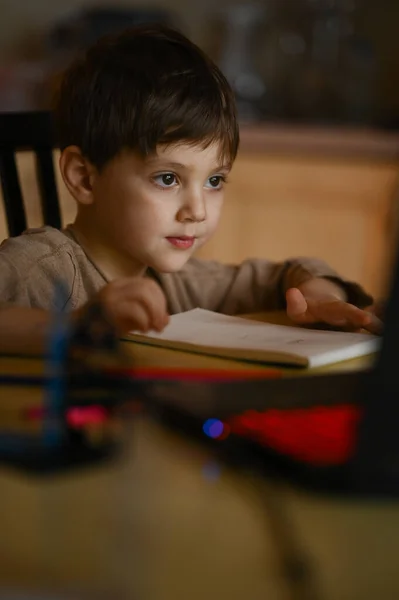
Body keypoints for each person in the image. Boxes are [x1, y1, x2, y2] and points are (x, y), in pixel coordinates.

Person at [0, 25, 381, 354]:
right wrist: (79, 327)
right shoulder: (37, 269)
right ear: (84, 177)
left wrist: (319, 296)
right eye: (168, 178)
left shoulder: (176, 283)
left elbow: (291, 272)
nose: (197, 211)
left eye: (214, 181)